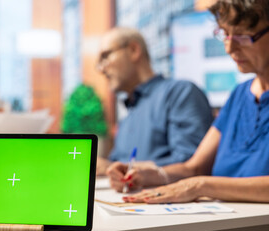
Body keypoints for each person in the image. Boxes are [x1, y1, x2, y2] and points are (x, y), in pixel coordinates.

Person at [108, 0, 269, 203]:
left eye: (243, 36)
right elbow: (194, 168)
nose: (229, 47)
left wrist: (201, 186)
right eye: (225, 34)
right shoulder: (239, 95)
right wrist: (149, 175)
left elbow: (198, 178)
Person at [96, 27, 213, 176]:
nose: (101, 69)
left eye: (106, 56)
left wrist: (120, 168)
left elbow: (191, 163)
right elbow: (115, 164)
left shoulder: (179, 93)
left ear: (133, 50)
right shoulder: (128, 116)